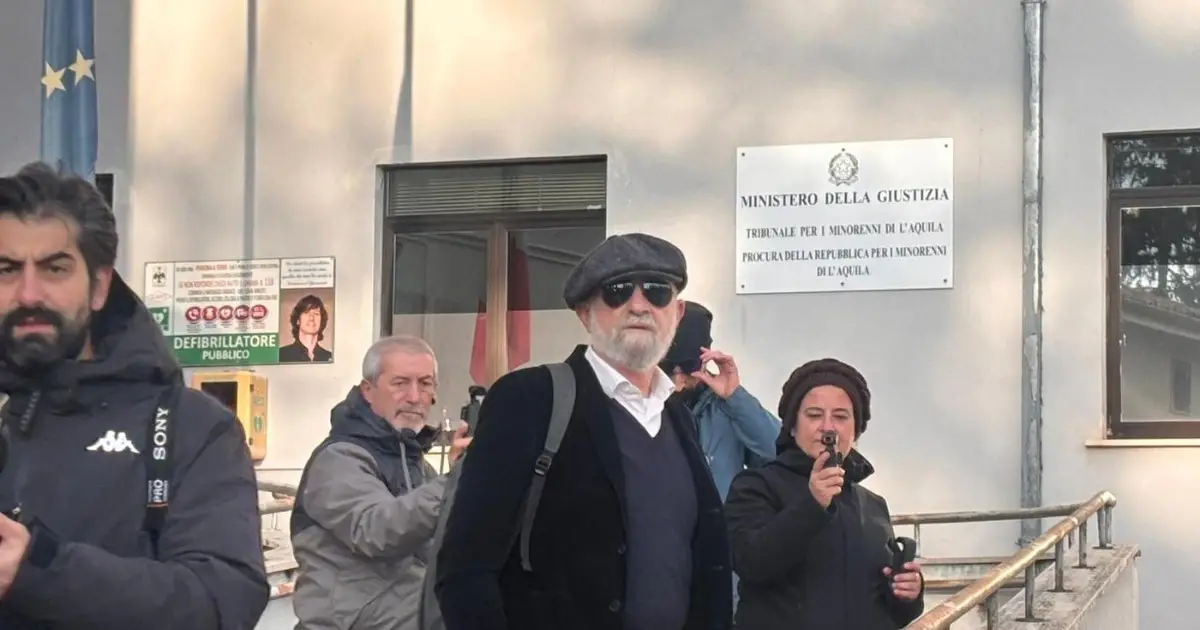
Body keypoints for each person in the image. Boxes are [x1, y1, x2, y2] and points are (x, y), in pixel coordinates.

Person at [0, 162, 268, 628]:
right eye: (6, 269)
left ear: (99, 286)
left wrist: (37, 567)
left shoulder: (191, 427)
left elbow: (221, 601)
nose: (28, 294)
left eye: (54, 268)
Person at [435, 233, 732, 630]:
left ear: (676, 313)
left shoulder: (678, 417)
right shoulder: (530, 400)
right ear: (585, 314)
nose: (639, 305)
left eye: (657, 291)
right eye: (617, 292)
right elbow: (465, 570)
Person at [724, 358, 924, 629]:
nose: (828, 427)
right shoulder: (755, 486)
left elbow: (888, 610)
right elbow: (751, 562)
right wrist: (812, 504)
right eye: (814, 415)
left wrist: (907, 594)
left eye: (841, 417)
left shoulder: (873, 505)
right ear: (792, 425)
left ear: (856, 429)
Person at [290, 335, 471, 630]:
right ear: (368, 390)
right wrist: (459, 479)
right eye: (400, 383)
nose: (414, 396)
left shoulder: (415, 462)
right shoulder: (339, 458)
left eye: (425, 384)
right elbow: (376, 531)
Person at [661, 300, 780, 501]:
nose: (678, 382)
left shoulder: (728, 408)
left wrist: (735, 396)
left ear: (705, 359)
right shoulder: (637, 404)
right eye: (667, 368)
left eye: (689, 367)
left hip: (720, 520)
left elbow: (780, 453)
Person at [278, 294, 333, 363]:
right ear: (298, 320)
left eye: (316, 314)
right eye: (306, 313)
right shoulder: (281, 355)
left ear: (321, 321)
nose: (311, 318)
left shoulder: (329, 357)